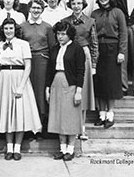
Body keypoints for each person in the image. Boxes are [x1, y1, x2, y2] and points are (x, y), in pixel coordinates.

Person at [0, 18, 41, 160]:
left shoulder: (23, 44)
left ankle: (17, 148)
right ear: (2, 30)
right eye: (6, 28)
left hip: (20, 77)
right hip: (4, 78)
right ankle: (9, 148)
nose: (8, 31)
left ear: (15, 30)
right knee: (7, 113)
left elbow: (28, 66)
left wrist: (21, 86)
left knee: (19, 113)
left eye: (11, 28)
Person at [46, 21, 85, 162]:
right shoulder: (55, 48)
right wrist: (47, 88)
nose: (60, 37)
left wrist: (79, 91)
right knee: (59, 117)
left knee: (70, 118)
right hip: (56, 83)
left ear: (70, 35)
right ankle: (62, 149)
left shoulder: (77, 49)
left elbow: (81, 71)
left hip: (71, 85)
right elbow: (50, 70)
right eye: (58, 34)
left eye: (63, 34)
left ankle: (71, 149)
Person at [63, 0, 98, 140]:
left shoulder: (90, 21)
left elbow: (94, 43)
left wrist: (94, 63)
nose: (76, 6)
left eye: (79, 3)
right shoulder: (65, 21)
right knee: (71, 90)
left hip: (84, 53)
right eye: (73, 4)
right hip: (69, 55)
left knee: (82, 92)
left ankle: (81, 128)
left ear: (83, 4)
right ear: (70, 5)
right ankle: (71, 126)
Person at [91, 0, 127, 128]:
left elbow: (123, 34)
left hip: (113, 49)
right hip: (98, 48)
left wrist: (121, 51)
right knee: (99, 82)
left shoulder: (118, 13)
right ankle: (101, 114)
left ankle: (110, 114)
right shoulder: (95, 14)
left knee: (110, 83)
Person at [21, 0, 55, 132]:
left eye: (38, 8)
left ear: (42, 10)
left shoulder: (47, 27)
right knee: (28, 92)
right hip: (27, 61)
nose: (35, 10)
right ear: (29, 9)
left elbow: (52, 47)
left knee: (40, 92)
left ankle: (41, 126)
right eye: (33, 8)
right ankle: (28, 127)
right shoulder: (22, 26)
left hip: (42, 61)